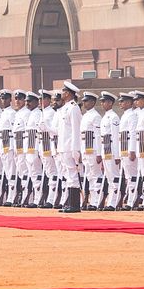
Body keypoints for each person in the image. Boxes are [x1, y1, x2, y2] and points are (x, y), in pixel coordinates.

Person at [55, 81, 83, 213]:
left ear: (68, 93)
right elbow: (60, 131)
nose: (62, 93)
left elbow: (76, 130)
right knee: (68, 175)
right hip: (62, 146)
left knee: (73, 175)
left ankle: (74, 205)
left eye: (64, 91)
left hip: (70, 147)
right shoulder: (64, 109)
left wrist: (75, 149)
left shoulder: (73, 108)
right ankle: (69, 204)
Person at [79, 92, 103, 210]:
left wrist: (99, 153)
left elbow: (98, 136)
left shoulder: (96, 116)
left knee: (95, 176)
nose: (84, 103)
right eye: (83, 101)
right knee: (88, 176)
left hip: (93, 150)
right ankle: (91, 200)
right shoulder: (85, 116)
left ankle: (96, 201)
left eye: (86, 101)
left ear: (93, 102)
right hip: (85, 150)